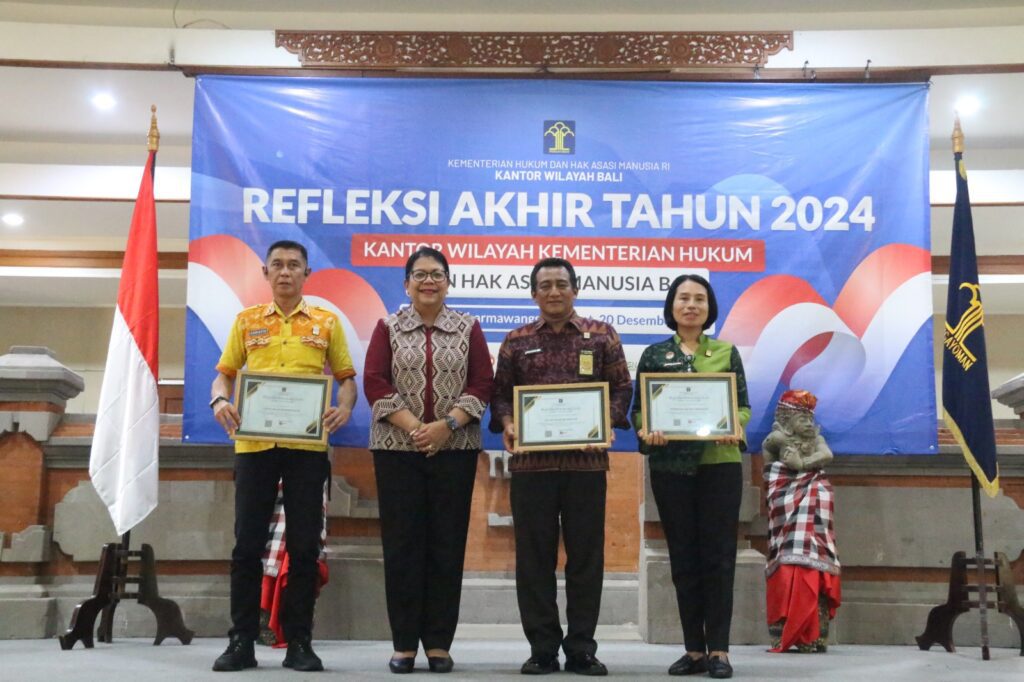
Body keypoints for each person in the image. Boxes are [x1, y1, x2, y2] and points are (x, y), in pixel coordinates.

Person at [210, 239, 357, 673]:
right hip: (254, 446)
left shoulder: (326, 322)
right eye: (278, 264)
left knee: (305, 546)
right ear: (265, 272)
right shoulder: (246, 321)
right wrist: (219, 401)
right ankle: (241, 640)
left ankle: (299, 642)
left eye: (294, 265)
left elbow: (347, 379)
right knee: (246, 545)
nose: (286, 271)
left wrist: (345, 407)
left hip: (307, 448)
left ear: (307, 273)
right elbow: (223, 375)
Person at [489, 258, 633, 677]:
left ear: (575, 289)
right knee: (533, 560)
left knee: (586, 558)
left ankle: (582, 648)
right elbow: (500, 396)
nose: (554, 291)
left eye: (561, 284)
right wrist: (509, 422)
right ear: (533, 293)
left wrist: (606, 421)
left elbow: (622, 388)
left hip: (586, 465)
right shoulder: (515, 341)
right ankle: (542, 649)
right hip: (531, 467)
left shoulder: (602, 335)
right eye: (545, 285)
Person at [363, 246, 493, 675]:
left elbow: (482, 383)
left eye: (437, 274)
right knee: (402, 547)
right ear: (406, 284)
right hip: (396, 452)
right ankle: (403, 644)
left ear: (448, 282)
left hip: (455, 451)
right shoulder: (388, 327)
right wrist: (417, 428)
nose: (428, 281)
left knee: (446, 546)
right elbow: (375, 382)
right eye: (419, 274)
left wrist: (446, 426)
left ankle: (438, 643)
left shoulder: (468, 327)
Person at [632, 274, 750, 680]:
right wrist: (647, 431)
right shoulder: (654, 355)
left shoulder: (726, 352)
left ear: (709, 307)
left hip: (720, 465)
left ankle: (720, 650)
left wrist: (735, 424)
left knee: (719, 558)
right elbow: (639, 411)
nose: (691, 305)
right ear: (671, 306)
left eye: (699, 298)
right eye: (683, 298)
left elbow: (743, 405)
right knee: (683, 558)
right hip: (671, 469)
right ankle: (694, 650)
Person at [762, 390, 841, 653]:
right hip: (785, 502)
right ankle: (784, 630)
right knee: (786, 564)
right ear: (786, 420)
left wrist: (804, 463)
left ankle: (814, 633)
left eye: (810, 418)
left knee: (814, 567)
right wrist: (794, 467)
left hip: (814, 509)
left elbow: (826, 455)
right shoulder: (777, 439)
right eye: (801, 418)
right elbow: (772, 470)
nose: (808, 423)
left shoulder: (816, 439)